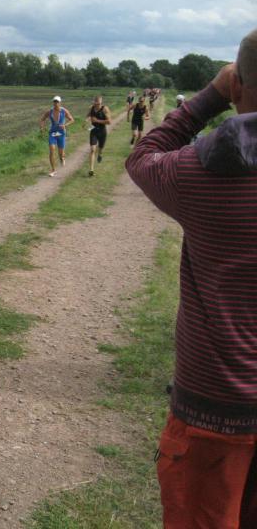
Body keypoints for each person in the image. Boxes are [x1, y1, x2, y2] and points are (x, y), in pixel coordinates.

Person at [126, 28, 257, 529]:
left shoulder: (204, 174)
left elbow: (143, 155)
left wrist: (209, 98)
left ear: (237, 85)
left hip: (216, 410)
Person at [39, 96, 74, 177]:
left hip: (61, 133)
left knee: (60, 154)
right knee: (52, 150)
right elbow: (42, 119)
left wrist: (65, 125)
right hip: (52, 133)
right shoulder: (50, 111)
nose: (56, 103)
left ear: (60, 103)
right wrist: (42, 128)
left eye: (57, 102)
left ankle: (62, 158)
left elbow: (72, 120)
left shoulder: (64, 111)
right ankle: (53, 170)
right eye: (54, 101)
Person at [86, 95, 111, 176]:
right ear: (94, 102)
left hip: (102, 131)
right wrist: (86, 121)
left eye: (99, 103)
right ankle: (91, 170)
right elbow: (88, 116)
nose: (97, 105)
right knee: (93, 150)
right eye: (96, 103)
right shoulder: (91, 108)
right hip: (93, 130)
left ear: (101, 102)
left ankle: (100, 154)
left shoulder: (105, 109)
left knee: (100, 148)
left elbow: (109, 122)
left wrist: (97, 120)